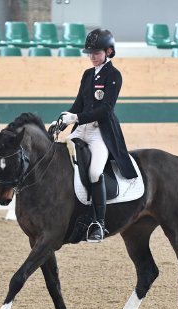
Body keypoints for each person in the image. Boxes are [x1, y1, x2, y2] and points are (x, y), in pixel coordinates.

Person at [51, 28, 138, 243]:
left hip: (100, 132)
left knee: (94, 172)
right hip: (81, 130)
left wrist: (76, 118)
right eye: (90, 53)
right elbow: (79, 103)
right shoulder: (88, 74)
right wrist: (63, 119)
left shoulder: (114, 75)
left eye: (96, 53)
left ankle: (98, 222)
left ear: (108, 51)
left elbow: (105, 109)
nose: (92, 56)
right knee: (59, 161)